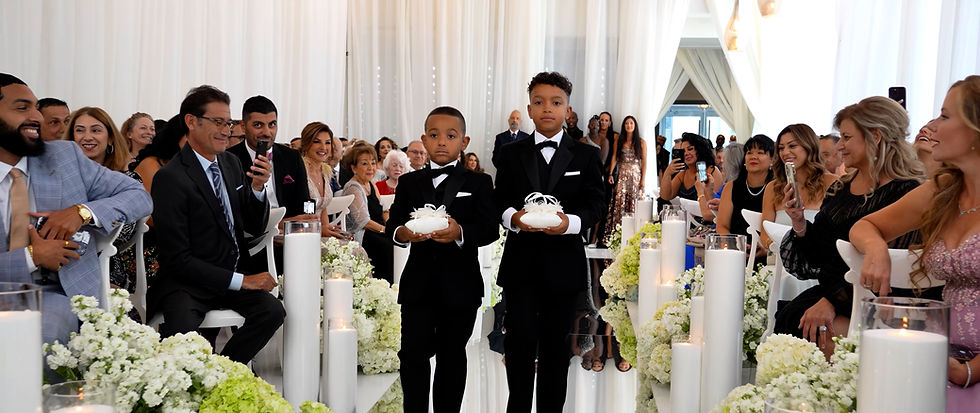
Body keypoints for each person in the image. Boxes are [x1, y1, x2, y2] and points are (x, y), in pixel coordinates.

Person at [849, 76, 980, 409]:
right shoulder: (944, 190)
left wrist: (968, 372)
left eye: (946, 116)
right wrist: (877, 248)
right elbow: (864, 226)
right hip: (939, 356)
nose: (933, 125)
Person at [0, 73, 152, 350]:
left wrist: (81, 212)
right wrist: (32, 256)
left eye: (36, 107)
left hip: (56, 292)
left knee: (46, 332)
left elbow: (138, 195)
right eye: (23, 108)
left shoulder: (63, 156)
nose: (36, 116)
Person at [773, 96, 929, 349]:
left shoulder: (907, 192)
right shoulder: (841, 188)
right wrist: (799, 221)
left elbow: (893, 268)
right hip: (835, 293)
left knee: (809, 328)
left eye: (847, 137)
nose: (840, 146)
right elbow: (820, 253)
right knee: (792, 319)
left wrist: (832, 301)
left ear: (875, 136)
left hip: (877, 306)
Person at [494, 72, 605, 412]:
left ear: (567, 110)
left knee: (557, 348)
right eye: (539, 102)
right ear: (529, 108)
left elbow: (596, 203)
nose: (547, 109)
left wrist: (569, 224)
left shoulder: (586, 155)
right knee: (519, 345)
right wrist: (514, 218)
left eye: (555, 103)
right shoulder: (511, 153)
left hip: (563, 265)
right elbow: (500, 199)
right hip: (521, 265)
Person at [149, 85, 283, 364]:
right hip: (188, 283)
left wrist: (258, 188)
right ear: (191, 121)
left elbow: (252, 225)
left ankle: (224, 370)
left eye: (229, 123)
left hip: (230, 275)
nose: (226, 130)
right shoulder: (170, 178)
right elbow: (177, 259)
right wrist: (242, 280)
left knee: (272, 312)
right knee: (181, 340)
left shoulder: (230, 163)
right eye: (218, 122)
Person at [387, 106, 499, 413]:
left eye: (450, 136)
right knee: (412, 355)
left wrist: (460, 232)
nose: (441, 142)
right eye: (434, 135)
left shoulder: (479, 182)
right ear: (424, 139)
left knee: (452, 355)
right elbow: (392, 225)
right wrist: (404, 233)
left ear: (464, 141)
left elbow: (490, 229)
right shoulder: (410, 183)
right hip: (418, 286)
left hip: (461, 286)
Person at [227, 95, 311, 220]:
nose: (267, 132)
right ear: (243, 126)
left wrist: (308, 218)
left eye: (272, 124)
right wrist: (280, 223)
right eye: (258, 125)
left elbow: (304, 199)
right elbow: (235, 213)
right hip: (250, 236)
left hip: (290, 234)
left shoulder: (292, 156)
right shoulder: (228, 159)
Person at [760, 124, 837, 249]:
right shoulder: (773, 188)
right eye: (781, 148)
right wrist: (783, 248)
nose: (785, 152)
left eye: (792, 146)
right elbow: (764, 236)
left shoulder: (832, 183)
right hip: (779, 260)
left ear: (809, 146)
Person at [716, 135, 774, 263]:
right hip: (735, 252)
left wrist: (767, 248)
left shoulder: (777, 188)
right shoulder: (731, 187)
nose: (753, 156)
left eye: (760, 152)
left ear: (772, 160)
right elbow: (722, 225)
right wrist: (735, 245)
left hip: (769, 254)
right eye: (749, 152)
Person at [342, 142, 392, 283]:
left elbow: (383, 211)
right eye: (364, 164)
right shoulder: (353, 187)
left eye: (373, 163)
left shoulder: (371, 184)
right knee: (388, 246)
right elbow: (364, 222)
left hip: (377, 231)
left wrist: (391, 227)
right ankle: (382, 285)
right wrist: (386, 230)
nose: (371, 168)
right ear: (354, 168)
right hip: (363, 235)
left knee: (399, 241)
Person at [601, 115, 646, 244]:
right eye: (627, 123)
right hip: (622, 175)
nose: (629, 126)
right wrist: (610, 174)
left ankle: (634, 236)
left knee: (633, 203)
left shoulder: (641, 142)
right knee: (619, 204)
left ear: (635, 126)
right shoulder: (619, 140)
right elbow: (614, 157)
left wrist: (643, 180)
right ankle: (617, 235)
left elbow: (645, 162)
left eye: (631, 123)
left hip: (635, 176)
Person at [298, 121, 345, 239]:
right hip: (303, 234)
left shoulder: (326, 172)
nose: (323, 147)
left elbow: (322, 207)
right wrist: (320, 230)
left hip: (320, 233)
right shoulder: (300, 171)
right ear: (306, 144)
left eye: (327, 143)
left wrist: (327, 227)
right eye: (316, 141)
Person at [659, 132, 723, 204]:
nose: (686, 153)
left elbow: (715, 203)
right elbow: (665, 196)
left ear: (699, 150)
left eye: (690, 149)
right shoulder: (683, 174)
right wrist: (668, 173)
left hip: (705, 214)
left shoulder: (711, 170)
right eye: (683, 151)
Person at [65, 106, 131, 172]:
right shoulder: (59, 174)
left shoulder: (127, 177)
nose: (87, 138)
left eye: (95, 130)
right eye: (80, 130)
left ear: (110, 138)